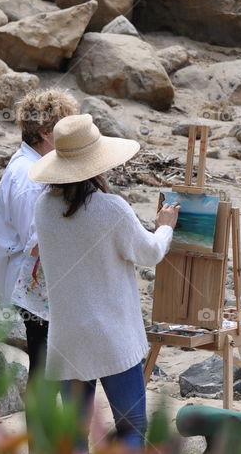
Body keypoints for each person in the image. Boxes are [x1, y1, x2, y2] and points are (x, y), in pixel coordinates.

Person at [28, 113, 180, 448]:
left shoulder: (43, 207)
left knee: (74, 432)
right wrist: (165, 225)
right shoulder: (111, 209)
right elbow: (150, 253)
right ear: (97, 163)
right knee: (132, 426)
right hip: (111, 337)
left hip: (67, 336)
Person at [0, 89, 79, 374]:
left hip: (32, 281)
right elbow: (36, 243)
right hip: (30, 284)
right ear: (45, 133)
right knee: (44, 366)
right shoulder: (29, 177)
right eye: (64, 131)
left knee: (47, 365)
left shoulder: (32, 166)